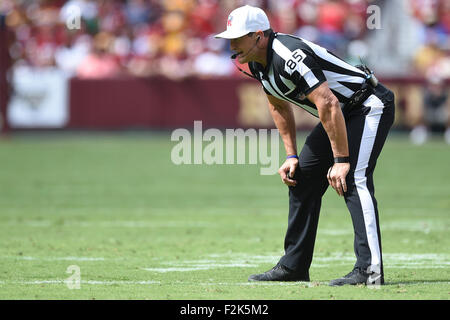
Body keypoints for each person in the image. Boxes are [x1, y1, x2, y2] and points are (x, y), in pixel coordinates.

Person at [215, 5, 395, 286]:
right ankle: (294, 266)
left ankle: (370, 270)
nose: (232, 44)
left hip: (367, 105)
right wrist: (291, 154)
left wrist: (341, 160)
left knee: (353, 178)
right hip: (341, 112)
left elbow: (328, 102)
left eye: (238, 37)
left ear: (259, 36)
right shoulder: (256, 62)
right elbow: (278, 105)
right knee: (302, 178)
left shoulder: (288, 55)